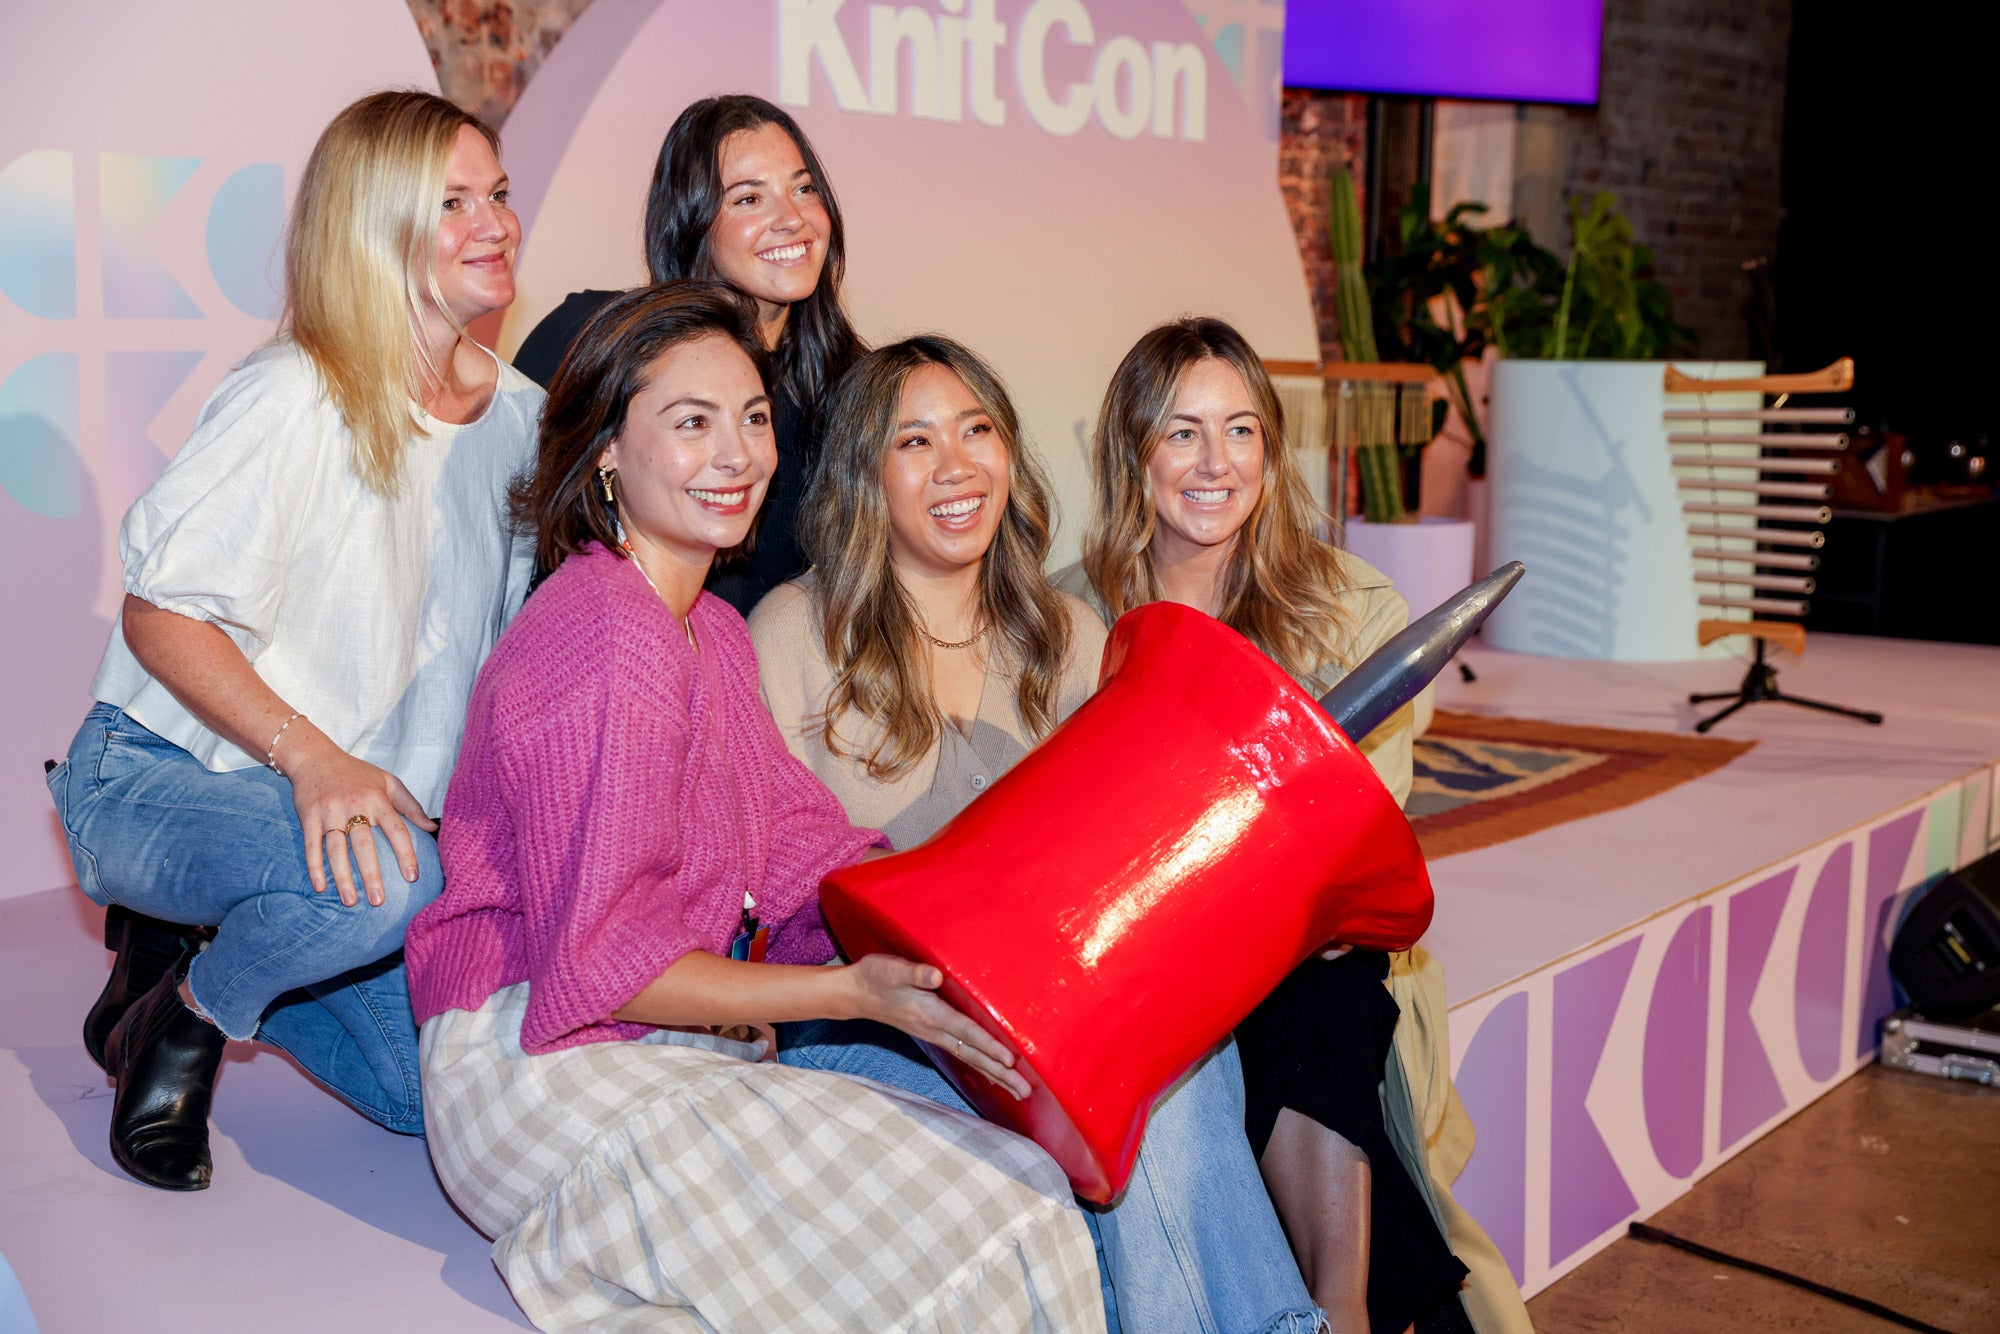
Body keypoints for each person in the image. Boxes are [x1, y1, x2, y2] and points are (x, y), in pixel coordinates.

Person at [405, 284, 1106, 1332]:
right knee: (988, 1219)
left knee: (1019, 1188)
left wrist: (979, 921)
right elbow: (606, 968)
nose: (736, 454)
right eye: (692, 422)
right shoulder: (607, 634)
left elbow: (803, 852)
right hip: (541, 1065)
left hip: (663, 1046)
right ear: (608, 451)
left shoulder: (711, 632)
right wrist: (852, 991)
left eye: (753, 417)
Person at [750, 334, 1329, 1334]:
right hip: (878, 1021)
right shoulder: (793, 633)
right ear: (861, 475)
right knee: (1116, 1083)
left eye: (976, 431)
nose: (956, 465)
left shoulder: (1066, 636)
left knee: (1164, 1054)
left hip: (1060, 1011)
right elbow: (762, 886)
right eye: (915, 441)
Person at [43, 90, 541, 1191]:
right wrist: (312, 758)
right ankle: (188, 1014)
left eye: (498, 194)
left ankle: (193, 948)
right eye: (453, 202)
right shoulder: (293, 391)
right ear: (373, 223)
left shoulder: (524, 419)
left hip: (354, 827)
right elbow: (157, 614)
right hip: (159, 776)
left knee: (424, 1099)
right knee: (393, 883)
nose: (497, 223)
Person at [1058, 316, 1532, 1334]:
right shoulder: (1065, 618)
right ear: (1133, 450)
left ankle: (1338, 1308)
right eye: (1181, 432)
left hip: (1304, 952)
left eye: (1241, 430)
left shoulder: (1345, 608)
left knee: (1310, 992)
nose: (1214, 462)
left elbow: (1353, 847)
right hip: (1135, 964)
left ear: (1271, 453)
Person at [512, 94, 861, 613]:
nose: (792, 218)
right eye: (749, 198)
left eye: (804, 188)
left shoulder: (853, 389)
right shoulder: (592, 337)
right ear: (691, 221)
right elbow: (507, 533)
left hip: (748, 664)